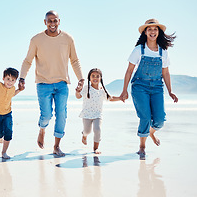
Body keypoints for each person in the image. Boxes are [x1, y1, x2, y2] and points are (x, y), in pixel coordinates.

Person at [19, 10, 85, 157]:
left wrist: (80, 78)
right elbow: (28, 61)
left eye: (55, 20)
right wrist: (22, 77)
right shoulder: (36, 40)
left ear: (59, 21)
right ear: (45, 22)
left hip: (62, 84)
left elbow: (74, 60)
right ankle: (42, 129)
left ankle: (56, 146)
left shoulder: (68, 39)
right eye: (49, 21)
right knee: (46, 115)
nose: (52, 23)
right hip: (43, 84)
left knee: (62, 114)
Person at [120, 19, 178, 159]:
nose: (152, 32)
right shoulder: (139, 50)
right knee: (145, 117)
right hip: (140, 86)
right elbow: (129, 71)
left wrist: (170, 91)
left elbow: (165, 72)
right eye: (150, 29)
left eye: (155, 29)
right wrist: (124, 90)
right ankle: (142, 146)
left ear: (159, 32)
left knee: (159, 120)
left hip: (157, 87)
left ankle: (150, 132)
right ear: (145, 32)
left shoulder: (163, 51)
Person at [75, 68, 122, 154]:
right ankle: (84, 135)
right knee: (87, 131)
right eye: (93, 76)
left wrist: (120, 98)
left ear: (101, 78)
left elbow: (110, 98)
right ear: (89, 78)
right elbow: (78, 96)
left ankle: (95, 148)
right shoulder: (86, 88)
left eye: (97, 76)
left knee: (97, 129)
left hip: (98, 114)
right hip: (86, 114)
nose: (95, 78)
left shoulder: (102, 90)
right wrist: (77, 92)